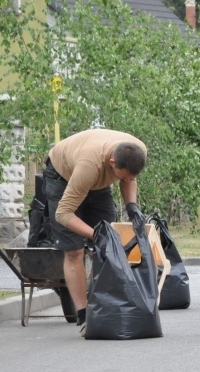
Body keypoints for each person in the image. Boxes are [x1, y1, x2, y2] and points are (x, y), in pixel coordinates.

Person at [44, 128, 147, 335]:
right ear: (112, 163)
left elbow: (129, 178)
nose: (125, 180)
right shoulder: (89, 167)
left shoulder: (137, 150)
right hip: (62, 176)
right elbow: (63, 214)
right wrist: (94, 234)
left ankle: (105, 305)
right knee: (75, 250)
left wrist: (132, 206)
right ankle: (83, 315)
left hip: (97, 180)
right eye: (122, 176)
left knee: (109, 245)